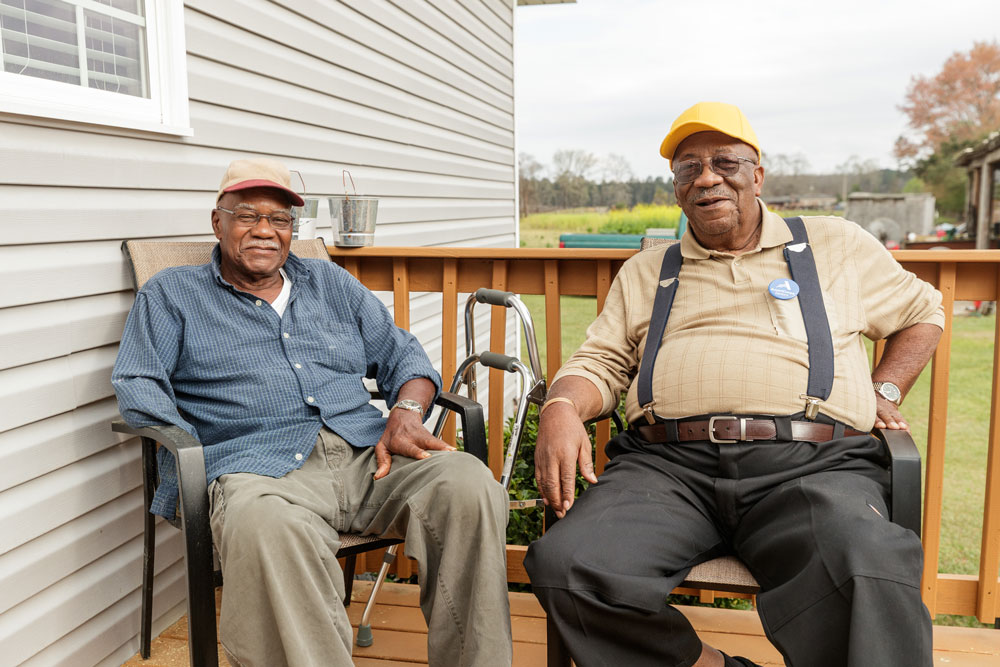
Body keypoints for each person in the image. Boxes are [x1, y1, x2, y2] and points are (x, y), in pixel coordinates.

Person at [524, 102, 942, 667]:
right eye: (688, 168)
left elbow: (924, 311)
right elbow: (599, 361)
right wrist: (561, 406)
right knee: (569, 566)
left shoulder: (835, 244)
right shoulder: (649, 270)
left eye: (725, 162)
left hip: (811, 465)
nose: (707, 178)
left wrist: (884, 391)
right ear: (676, 188)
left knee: (868, 562)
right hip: (666, 469)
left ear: (758, 175)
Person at [112, 158, 512, 667]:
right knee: (268, 527)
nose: (264, 230)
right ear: (218, 222)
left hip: (370, 456)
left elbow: (403, 356)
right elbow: (138, 382)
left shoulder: (329, 281)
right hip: (259, 469)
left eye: (279, 220)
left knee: (468, 484)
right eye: (247, 215)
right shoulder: (171, 294)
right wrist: (204, 457)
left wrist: (408, 410)